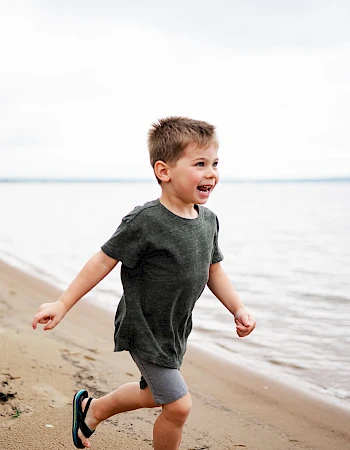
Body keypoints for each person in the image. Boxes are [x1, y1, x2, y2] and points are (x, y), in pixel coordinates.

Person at [32, 116, 256, 450]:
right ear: (164, 171)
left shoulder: (208, 221)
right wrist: (62, 303)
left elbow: (214, 271)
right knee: (178, 406)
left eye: (215, 163)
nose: (211, 173)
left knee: (153, 394)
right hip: (143, 327)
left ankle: (92, 410)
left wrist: (237, 308)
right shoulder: (146, 221)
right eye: (200, 164)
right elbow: (102, 260)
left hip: (174, 328)